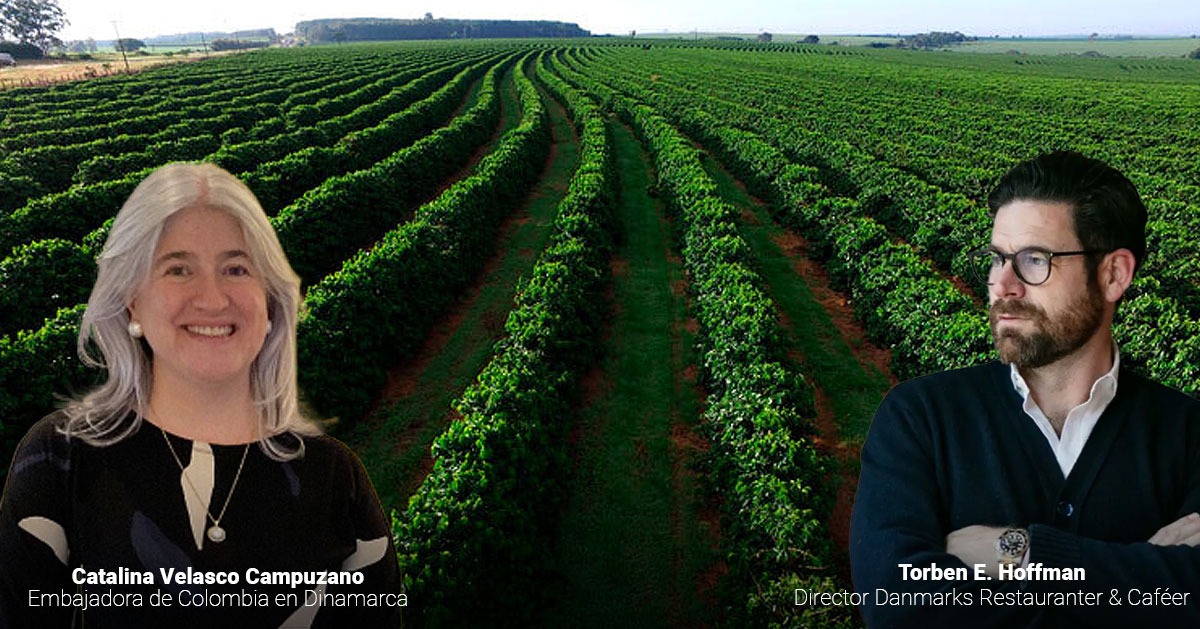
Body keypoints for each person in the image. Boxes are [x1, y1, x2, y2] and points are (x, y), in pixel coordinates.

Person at [0, 162, 404, 627]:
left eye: (236, 268)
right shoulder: (60, 463)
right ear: (132, 300)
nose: (212, 299)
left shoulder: (334, 477)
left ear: (269, 301)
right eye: (178, 269)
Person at [849, 150, 1200, 627]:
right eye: (997, 259)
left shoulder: (1190, 434)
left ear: (1114, 274)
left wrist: (1017, 550)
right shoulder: (920, 419)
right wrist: (1142, 580)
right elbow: (901, 608)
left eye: (1035, 260)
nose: (1003, 284)